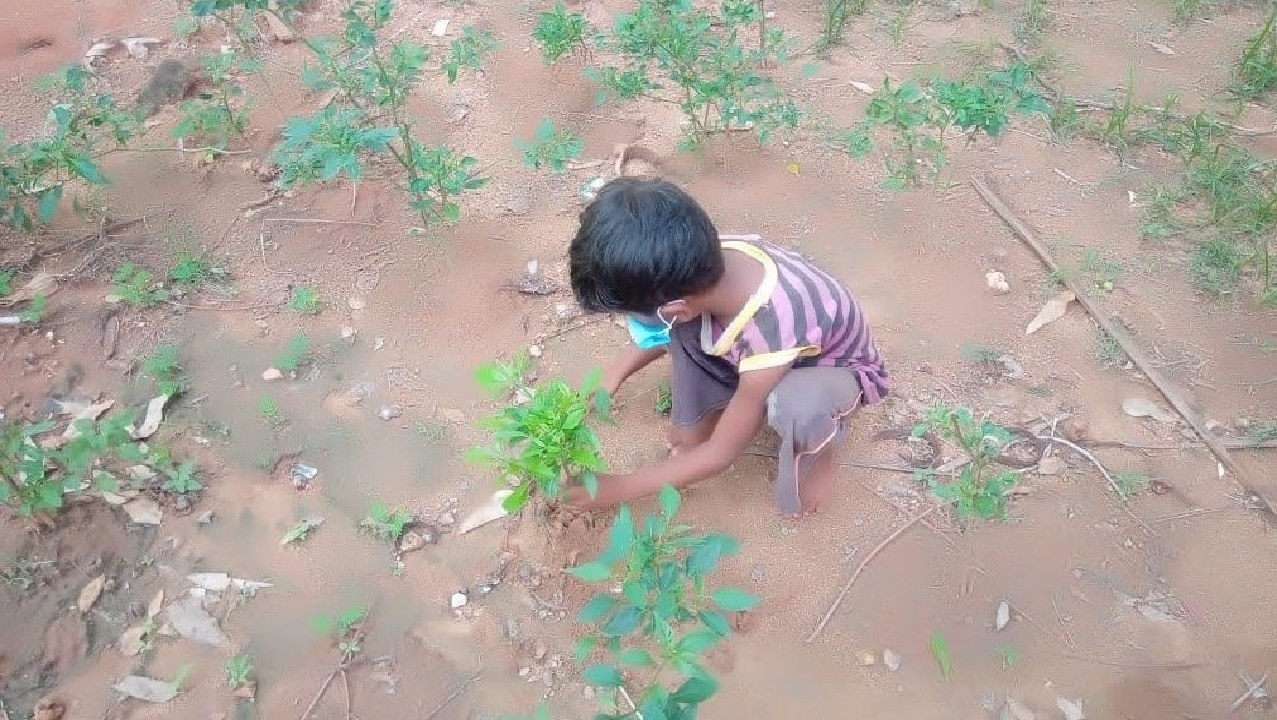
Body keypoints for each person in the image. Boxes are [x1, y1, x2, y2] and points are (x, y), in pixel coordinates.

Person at [565, 177, 890, 516]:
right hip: (768, 343)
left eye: (629, 315)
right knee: (686, 333)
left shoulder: (770, 333)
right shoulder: (701, 259)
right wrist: (614, 374)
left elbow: (722, 454)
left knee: (795, 405)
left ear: (676, 307)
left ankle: (818, 446)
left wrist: (617, 489)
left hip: (832, 366)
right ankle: (701, 418)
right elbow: (666, 329)